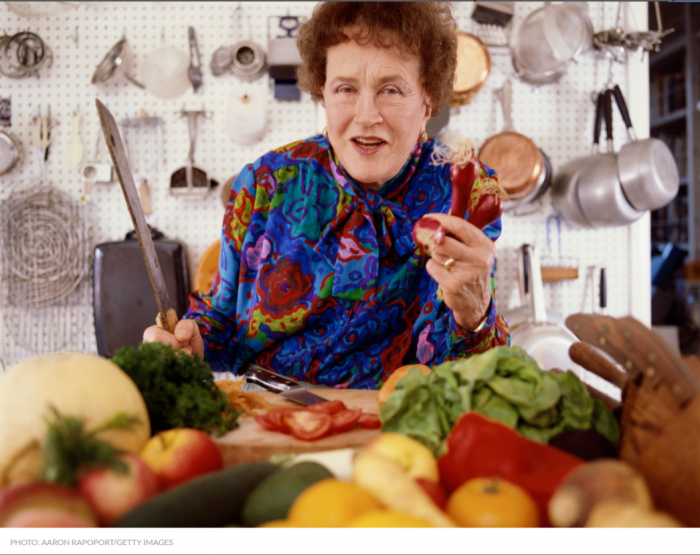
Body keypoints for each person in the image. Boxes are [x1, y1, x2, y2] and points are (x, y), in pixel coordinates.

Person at [143, 2, 509, 388]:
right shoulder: (266, 182)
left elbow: (482, 377)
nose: (366, 114)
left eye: (391, 89)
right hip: (269, 416)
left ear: (428, 98)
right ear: (323, 92)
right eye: (346, 89)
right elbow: (219, 324)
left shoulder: (464, 191)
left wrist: (477, 316)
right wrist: (190, 343)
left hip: (402, 424)